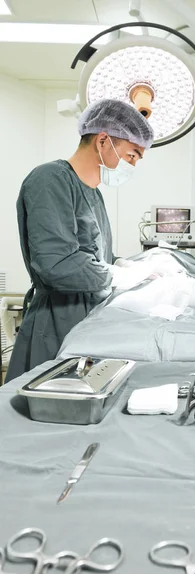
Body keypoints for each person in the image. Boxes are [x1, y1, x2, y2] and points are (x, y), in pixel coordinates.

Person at [5, 99, 156, 382]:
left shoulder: (93, 193)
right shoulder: (49, 179)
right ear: (103, 141)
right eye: (132, 155)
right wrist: (117, 275)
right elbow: (57, 265)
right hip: (57, 323)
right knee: (48, 413)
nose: (133, 165)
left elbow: (94, 257)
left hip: (87, 322)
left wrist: (123, 264)